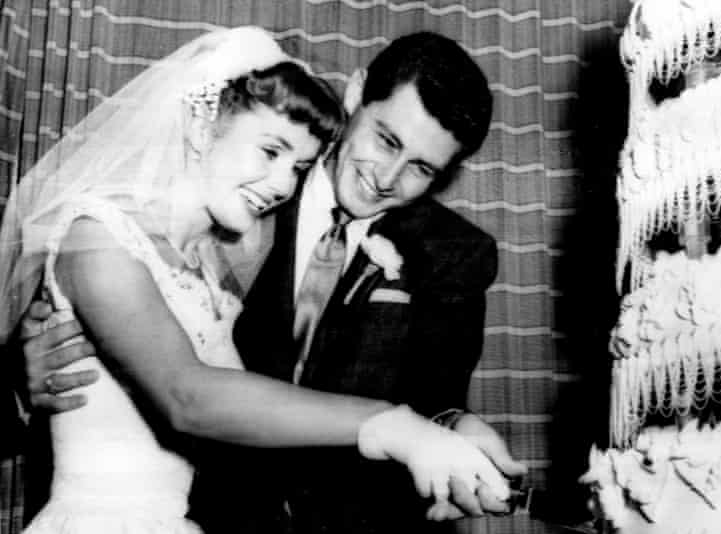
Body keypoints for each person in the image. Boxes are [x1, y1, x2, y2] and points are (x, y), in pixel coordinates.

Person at [2, 27, 513, 534]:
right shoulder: (230, 198)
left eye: (420, 167)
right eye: (385, 140)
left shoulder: (455, 253)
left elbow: (434, 398)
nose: (386, 177)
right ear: (357, 92)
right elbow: (165, 379)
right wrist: (21, 387)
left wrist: (450, 428)